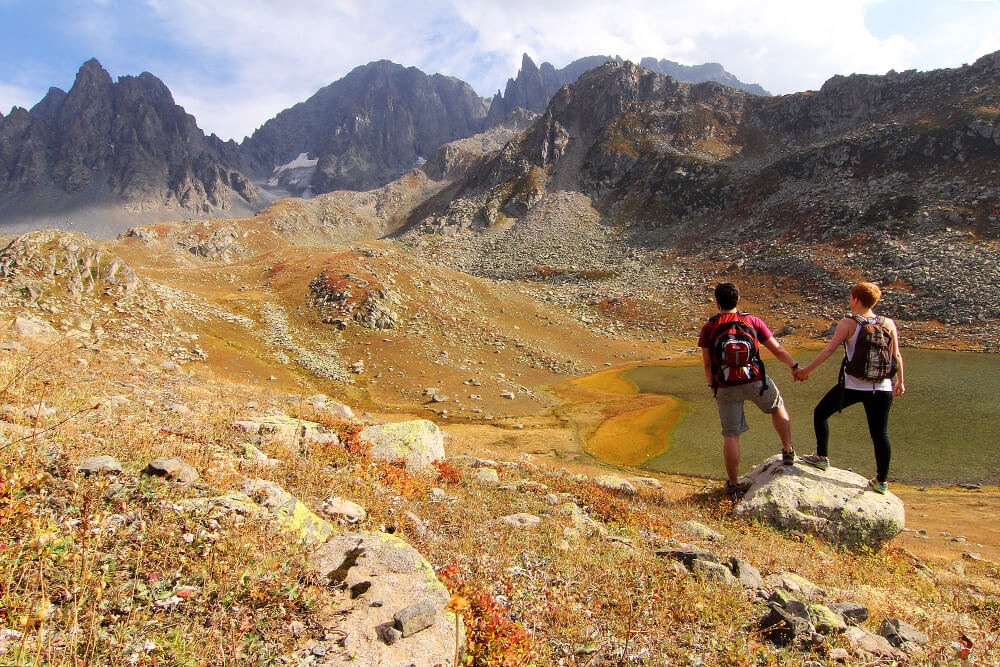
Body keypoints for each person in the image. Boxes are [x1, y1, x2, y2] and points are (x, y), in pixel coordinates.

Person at [793, 282, 905, 494]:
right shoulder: (888, 323)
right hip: (883, 387)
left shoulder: (848, 323)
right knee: (880, 433)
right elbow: (896, 355)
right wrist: (900, 381)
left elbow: (828, 351)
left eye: (851, 297)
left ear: (855, 299)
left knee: (821, 413)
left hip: (853, 386)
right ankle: (881, 481)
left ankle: (822, 457)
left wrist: (806, 370)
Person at [699, 282, 801, 496]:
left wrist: (713, 387)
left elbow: (708, 364)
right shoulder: (752, 321)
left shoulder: (710, 327)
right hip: (755, 380)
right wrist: (794, 366)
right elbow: (776, 348)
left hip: (726, 385)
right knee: (777, 406)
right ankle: (788, 450)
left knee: (731, 435)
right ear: (738, 299)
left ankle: (734, 484)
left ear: (716, 301)